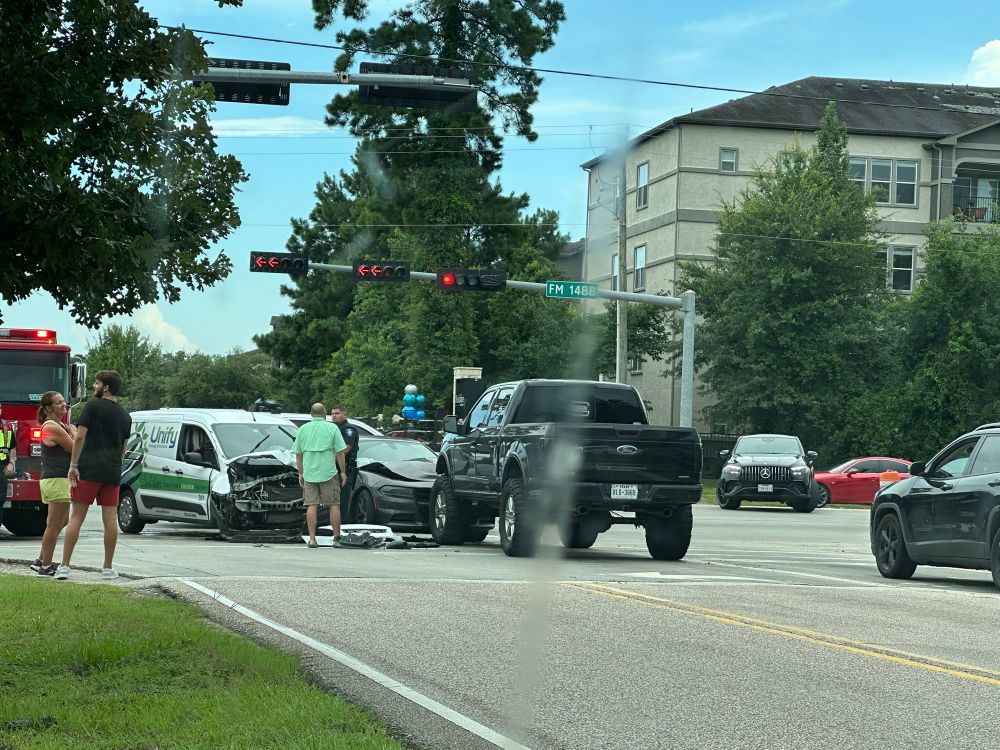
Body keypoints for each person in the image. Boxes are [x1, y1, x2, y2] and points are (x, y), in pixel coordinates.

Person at [54, 371, 132, 581]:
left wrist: (74, 465)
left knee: (77, 517)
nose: (93, 386)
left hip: (88, 469)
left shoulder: (92, 406)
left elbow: (79, 437)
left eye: (96, 383)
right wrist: (114, 465)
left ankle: (64, 566)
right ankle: (107, 568)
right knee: (110, 520)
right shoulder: (126, 415)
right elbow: (123, 450)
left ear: (105, 387)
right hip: (112, 472)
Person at [29, 392, 75, 576]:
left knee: (61, 521)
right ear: (48, 408)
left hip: (57, 479)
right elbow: (75, 447)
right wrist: (74, 431)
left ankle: (40, 559)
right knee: (54, 524)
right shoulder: (52, 426)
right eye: (59, 403)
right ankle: (46, 566)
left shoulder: (59, 425)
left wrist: (71, 429)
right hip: (57, 479)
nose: (64, 405)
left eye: (64, 401)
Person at [293, 402, 347, 548]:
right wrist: (343, 471)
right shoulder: (332, 428)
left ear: (311, 414)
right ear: (325, 414)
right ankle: (336, 538)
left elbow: (298, 454)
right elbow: (340, 452)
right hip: (329, 472)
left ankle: (311, 539)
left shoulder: (303, 429)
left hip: (309, 473)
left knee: (312, 505)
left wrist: (301, 473)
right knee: (334, 505)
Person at [331, 405, 360, 523]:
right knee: (332, 500)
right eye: (332, 413)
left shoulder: (348, 429)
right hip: (333, 468)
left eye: (337, 413)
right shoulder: (332, 428)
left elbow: (345, 449)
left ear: (344, 414)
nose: (334, 415)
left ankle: (340, 526)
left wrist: (327, 458)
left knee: (342, 500)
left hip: (345, 468)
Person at [0, 402, 18, 510]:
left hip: (1, 468)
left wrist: (11, 463)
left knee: (0, 500)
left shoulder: (7, 426)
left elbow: (12, 447)